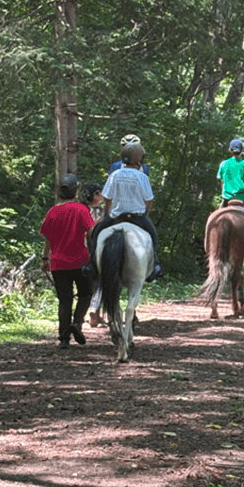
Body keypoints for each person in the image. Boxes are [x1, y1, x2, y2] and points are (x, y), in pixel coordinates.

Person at [85, 143, 164, 283]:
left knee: (97, 233)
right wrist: (146, 215)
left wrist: (107, 215)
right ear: (139, 160)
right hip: (137, 217)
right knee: (153, 235)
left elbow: (108, 198)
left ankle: (92, 264)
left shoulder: (115, 175)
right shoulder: (142, 177)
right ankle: (155, 266)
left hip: (116, 216)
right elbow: (149, 200)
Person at [40, 174, 95, 349]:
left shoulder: (52, 212)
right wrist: (93, 253)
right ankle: (77, 323)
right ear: (76, 191)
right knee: (85, 294)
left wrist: (45, 258)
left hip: (58, 263)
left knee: (65, 300)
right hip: (81, 260)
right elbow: (91, 231)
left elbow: (47, 238)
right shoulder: (81, 210)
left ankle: (64, 338)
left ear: (59, 192)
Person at [81, 183, 105, 327]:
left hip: (80, 249)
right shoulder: (102, 213)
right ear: (95, 195)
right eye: (101, 192)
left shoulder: (82, 210)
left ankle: (85, 312)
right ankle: (95, 309)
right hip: (95, 248)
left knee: (85, 282)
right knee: (100, 279)